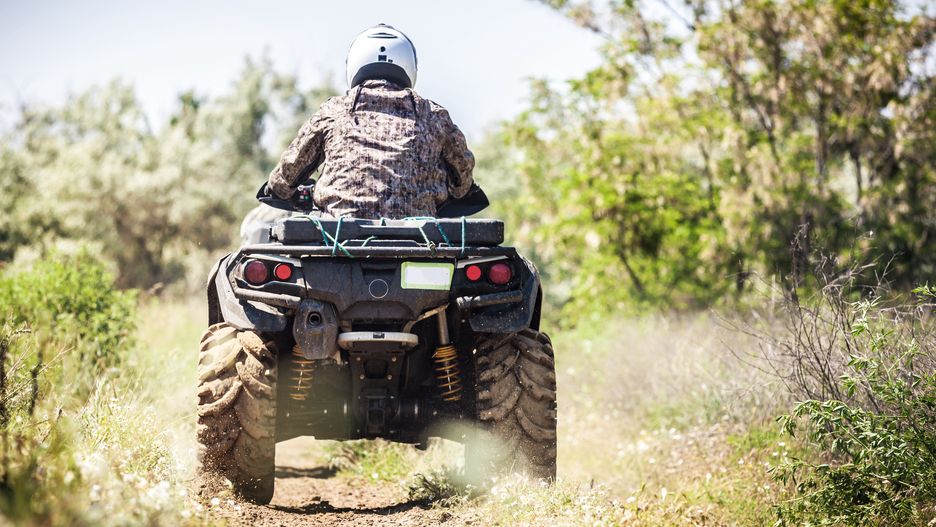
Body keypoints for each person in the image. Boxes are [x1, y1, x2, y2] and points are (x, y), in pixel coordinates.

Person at [267, 24, 475, 219]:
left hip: (338, 239)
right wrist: (457, 190)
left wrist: (278, 187)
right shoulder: (433, 116)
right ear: (410, 66)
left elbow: (288, 172)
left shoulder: (334, 111)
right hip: (419, 242)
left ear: (354, 64)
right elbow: (462, 176)